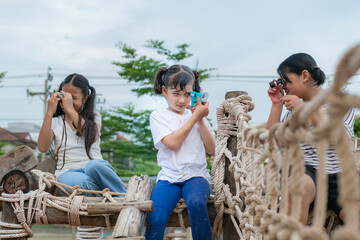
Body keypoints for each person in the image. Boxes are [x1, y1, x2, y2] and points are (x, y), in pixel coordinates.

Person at [266, 53, 356, 226]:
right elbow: (275, 140)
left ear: (305, 76)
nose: (284, 87)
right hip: (308, 171)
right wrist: (276, 104)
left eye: (286, 81)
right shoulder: (293, 111)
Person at [145, 65, 215, 240]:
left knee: (197, 203)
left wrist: (200, 118)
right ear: (164, 90)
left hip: (197, 176)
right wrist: (194, 117)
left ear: (194, 93)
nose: (182, 100)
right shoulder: (158, 116)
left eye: (187, 94)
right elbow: (172, 143)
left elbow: (212, 149)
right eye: (176, 93)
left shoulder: (198, 118)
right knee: (156, 216)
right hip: (169, 178)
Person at [38, 73, 127, 196]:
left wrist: (70, 109)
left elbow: (92, 136)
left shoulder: (94, 116)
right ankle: (114, 196)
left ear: (85, 99)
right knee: (79, 184)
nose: (66, 101)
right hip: (68, 172)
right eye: (64, 96)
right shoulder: (55, 121)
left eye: (73, 98)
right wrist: (49, 113)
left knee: (94, 166)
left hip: (95, 167)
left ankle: (124, 195)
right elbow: (42, 147)